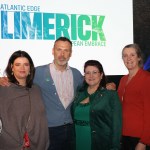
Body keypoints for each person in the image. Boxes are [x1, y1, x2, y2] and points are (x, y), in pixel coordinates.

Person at [0, 37, 116, 150]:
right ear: (53, 51)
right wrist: (3, 79)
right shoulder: (38, 72)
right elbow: (21, 79)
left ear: (70, 53)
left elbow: (91, 83)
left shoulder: (76, 74)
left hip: (72, 130)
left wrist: (106, 85)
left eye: (66, 50)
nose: (62, 54)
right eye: (59, 49)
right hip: (49, 131)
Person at [0, 50, 49, 150]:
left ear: (30, 68)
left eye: (26, 64)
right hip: (11, 145)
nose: (22, 68)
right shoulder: (3, 88)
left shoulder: (36, 89)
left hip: (37, 144)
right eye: (18, 64)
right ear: (12, 67)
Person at [71, 60, 122, 150]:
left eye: (94, 72)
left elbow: (116, 124)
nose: (91, 76)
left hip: (99, 142)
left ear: (101, 75)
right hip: (78, 141)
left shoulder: (110, 95)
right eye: (87, 73)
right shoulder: (79, 94)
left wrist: (115, 147)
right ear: (84, 75)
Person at [117, 44, 150, 150]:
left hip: (139, 138)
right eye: (125, 56)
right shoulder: (123, 80)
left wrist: (143, 141)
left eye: (132, 55)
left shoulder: (146, 79)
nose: (128, 58)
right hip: (123, 136)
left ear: (139, 57)